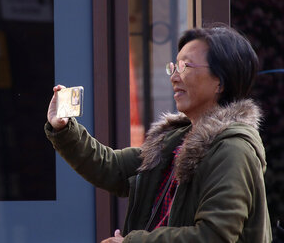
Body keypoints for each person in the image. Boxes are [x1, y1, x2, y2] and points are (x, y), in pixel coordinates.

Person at [45, 26, 272, 242]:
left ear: (220, 83)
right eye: (173, 67)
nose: (174, 77)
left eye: (185, 67)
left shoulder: (233, 149)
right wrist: (64, 129)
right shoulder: (176, 140)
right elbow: (111, 168)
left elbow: (212, 236)